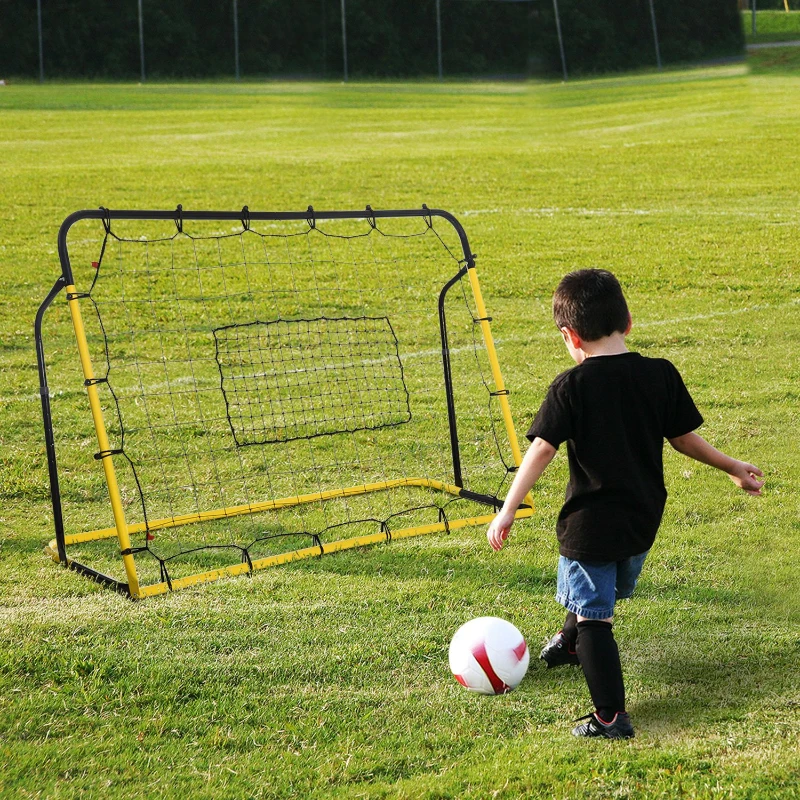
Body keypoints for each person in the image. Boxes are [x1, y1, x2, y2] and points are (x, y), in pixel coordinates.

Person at [486, 269, 764, 739]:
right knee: (592, 592)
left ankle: (610, 716)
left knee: (596, 615)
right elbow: (682, 439)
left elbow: (543, 449)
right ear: (628, 322)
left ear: (569, 335)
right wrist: (732, 465)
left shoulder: (570, 386)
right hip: (642, 519)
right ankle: (571, 644)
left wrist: (508, 507)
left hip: (590, 526)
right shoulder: (659, 374)